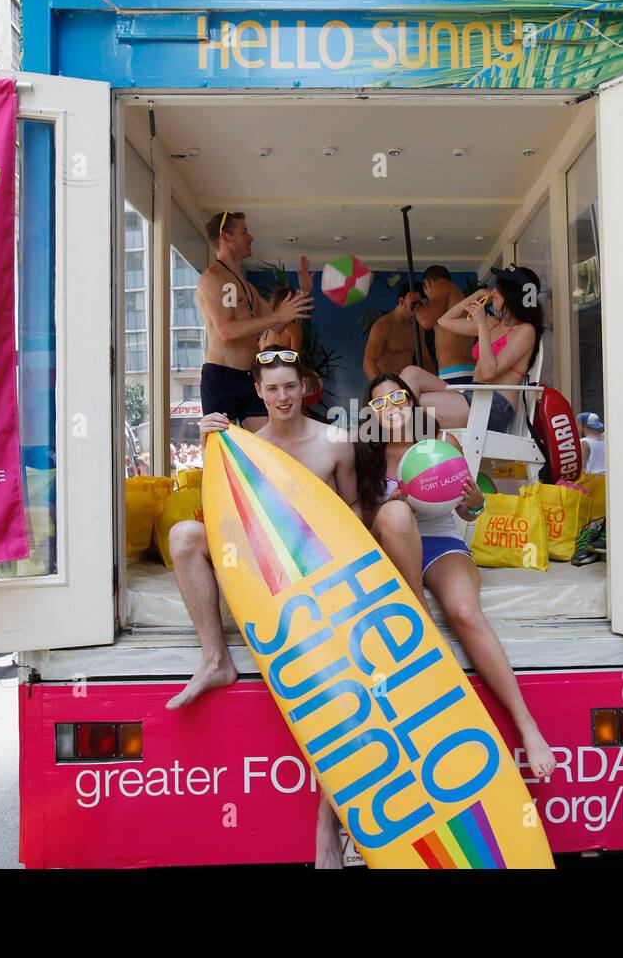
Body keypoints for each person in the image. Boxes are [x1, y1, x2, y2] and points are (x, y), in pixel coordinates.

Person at [165, 346, 362, 867]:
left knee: (338, 706)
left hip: (319, 581)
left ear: (306, 388)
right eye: (272, 388)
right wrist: (213, 448)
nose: (282, 396)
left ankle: (327, 829)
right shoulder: (245, 444)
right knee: (184, 536)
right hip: (261, 568)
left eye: (290, 386)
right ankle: (216, 659)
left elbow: (355, 517)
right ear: (258, 391)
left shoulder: (335, 442)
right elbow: (225, 518)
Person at [354, 373, 557, 781]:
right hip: (392, 549)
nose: (391, 407)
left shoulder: (442, 444)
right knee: (395, 515)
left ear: (411, 402)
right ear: (371, 414)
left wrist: (477, 503)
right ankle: (421, 615)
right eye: (380, 403)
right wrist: (390, 508)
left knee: (466, 612)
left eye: (397, 398)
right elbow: (357, 521)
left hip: (441, 545)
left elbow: (464, 514)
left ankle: (526, 726)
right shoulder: (365, 454)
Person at [196, 211, 313, 429]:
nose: (252, 238)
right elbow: (226, 331)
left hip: (250, 376)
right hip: (222, 376)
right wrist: (278, 315)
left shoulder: (246, 286)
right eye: (245, 232)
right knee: (223, 453)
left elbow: (276, 324)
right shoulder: (214, 277)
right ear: (225, 237)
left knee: (265, 447)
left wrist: (302, 291)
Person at [401, 264, 544, 434]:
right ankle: (399, 441)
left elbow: (490, 372)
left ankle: (395, 447)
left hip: (494, 407)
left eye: (500, 288)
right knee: (411, 374)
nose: (494, 291)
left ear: (513, 294)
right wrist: (476, 295)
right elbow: (445, 321)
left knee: (414, 407)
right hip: (472, 395)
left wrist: (481, 325)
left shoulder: (525, 331)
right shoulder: (494, 324)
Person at [413, 265, 472, 383]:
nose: (430, 298)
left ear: (427, 284)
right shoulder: (453, 293)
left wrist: (414, 304)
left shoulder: (442, 284)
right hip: (459, 370)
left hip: (455, 372)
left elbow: (426, 320)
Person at [362, 287, 426, 380]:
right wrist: (384, 388)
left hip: (408, 386)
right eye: (414, 307)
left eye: (421, 308)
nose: (418, 312)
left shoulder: (418, 329)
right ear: (401, 302)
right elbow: (368, 363)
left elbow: (426, 362)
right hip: (387, 386)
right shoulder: (382, 327)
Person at [258, 256, 315, 354]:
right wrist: (303, 290)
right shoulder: (293, 328)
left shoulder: (265, 332)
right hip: (283, 368)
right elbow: (294, 359)